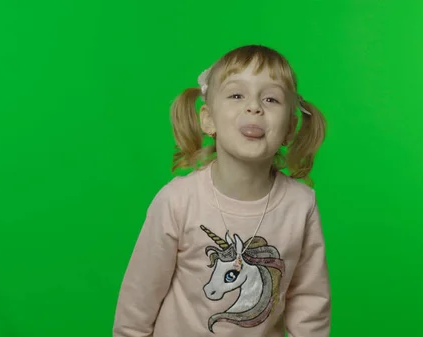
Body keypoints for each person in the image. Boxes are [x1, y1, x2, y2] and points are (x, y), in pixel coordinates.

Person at [113, 45, 331, 337]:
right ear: (208, 119)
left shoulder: (300, 204)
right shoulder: (177, 201)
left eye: (271, 98)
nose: (254, 107)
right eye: (237, 95)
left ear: (290, 127)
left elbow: (309, 300)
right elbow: (139, 299)